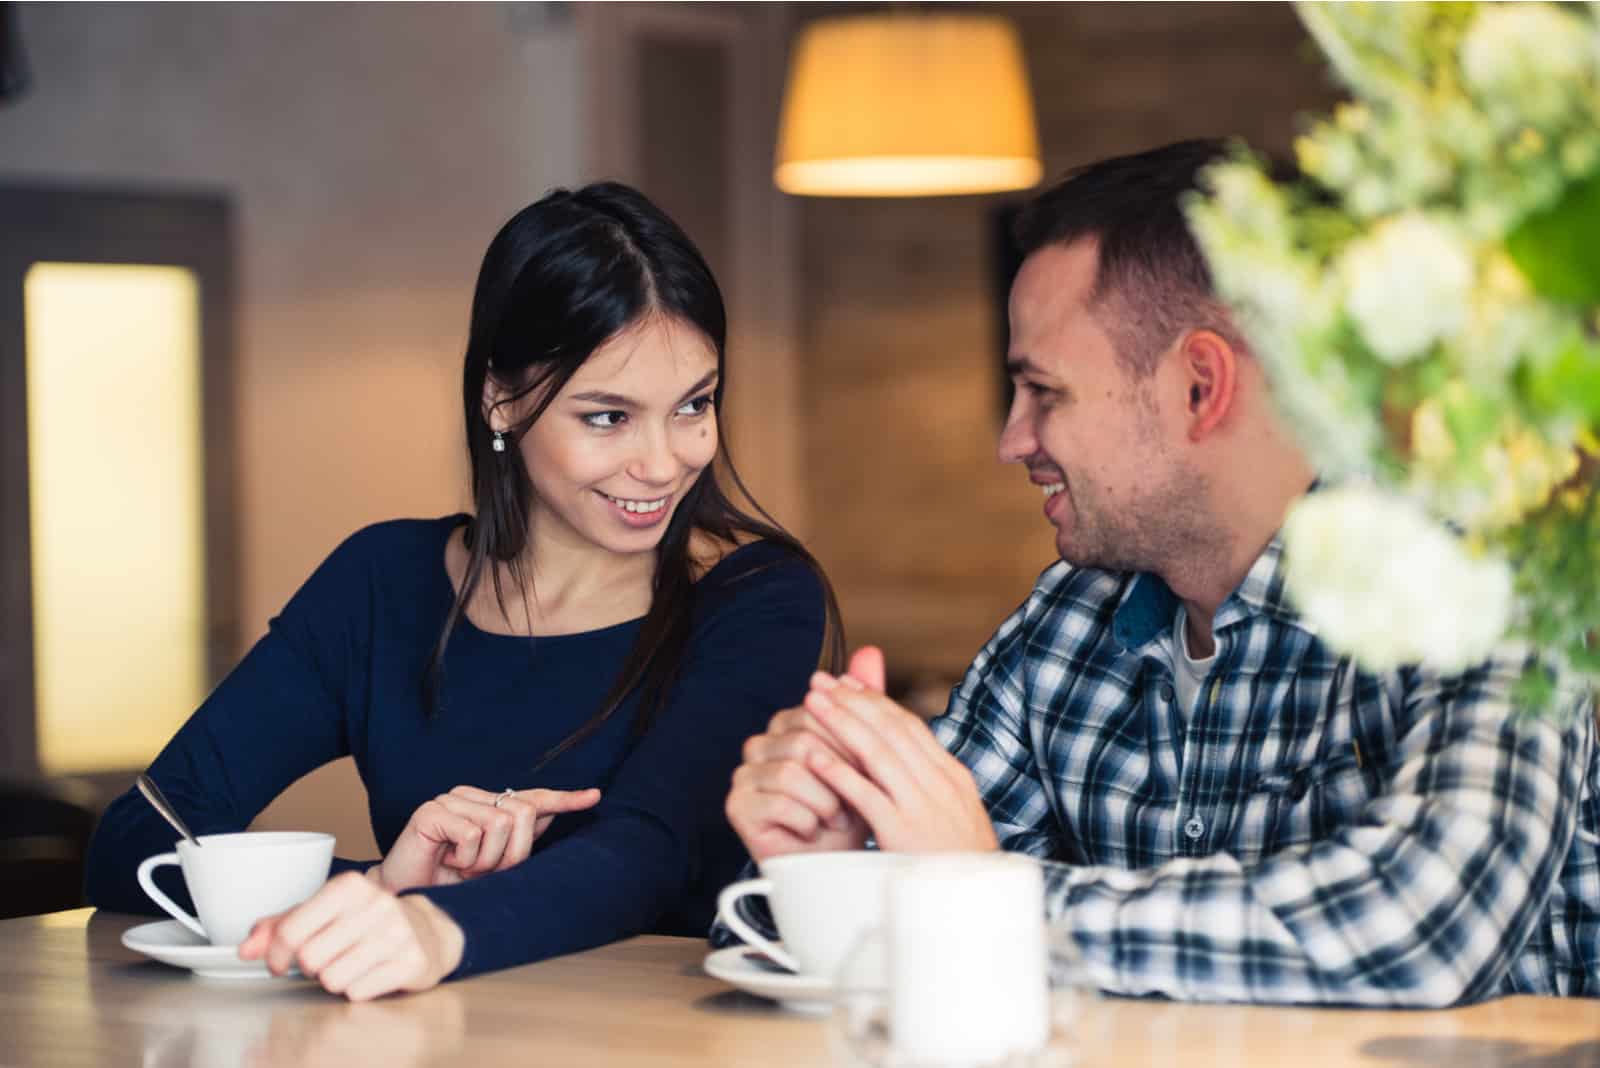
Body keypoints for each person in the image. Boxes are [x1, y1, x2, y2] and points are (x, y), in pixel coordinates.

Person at [722, 140, 1600, 1005]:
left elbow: (1424, 933)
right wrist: (824, 866)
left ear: (1198, 387)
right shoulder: (1065, 623)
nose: (1011, 441)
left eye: (1045, 392)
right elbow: (880, 891)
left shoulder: (1488, 596)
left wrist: (981, 900)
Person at [86, 181, 840, 1000]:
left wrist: (433, 924)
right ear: (501, 400)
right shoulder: (383, 584)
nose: (662, 463)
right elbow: (138, 838)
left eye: (694, 404)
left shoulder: (755, 595)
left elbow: (648, 857)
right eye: (608, 417)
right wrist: (381, 888)